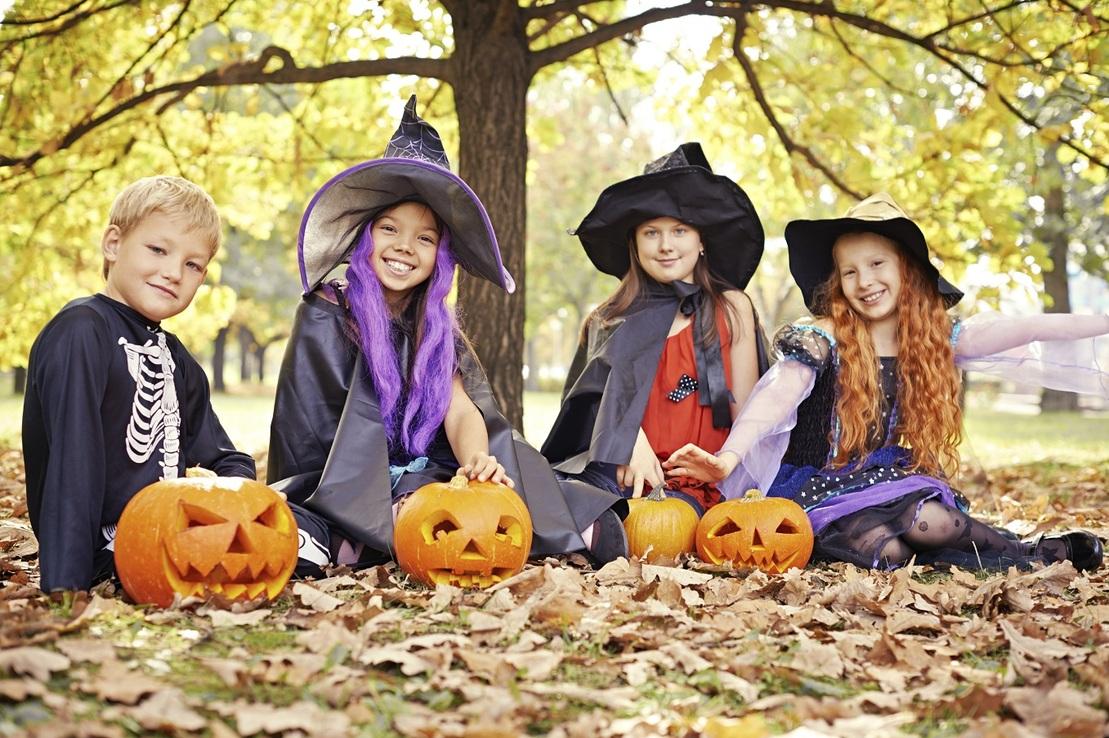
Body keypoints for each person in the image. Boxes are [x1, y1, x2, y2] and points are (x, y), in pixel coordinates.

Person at [268, 97, 626, 574]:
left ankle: (390, 534)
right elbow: (311, 432)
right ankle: (344, 535)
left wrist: (476, 461)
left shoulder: (435, 327)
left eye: (425, 238)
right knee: (313, 523)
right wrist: (371, 495)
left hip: (423, 473)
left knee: (564, 507)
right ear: (365, 237)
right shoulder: (327, 312)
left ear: (441, 256)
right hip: (341, 478)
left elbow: (459, 410)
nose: (404, 247)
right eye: (389, 229)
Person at [666, 192, 1107, 571]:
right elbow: (776, 395)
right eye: (850, 271)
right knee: (889, 551)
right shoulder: (821, 337)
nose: (865, 281)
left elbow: (1029, 328)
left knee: (929, 522)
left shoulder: (933, 338)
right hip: (815, 485)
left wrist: (1103, 322)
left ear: (905, 269)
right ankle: (944, 549)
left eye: (877, 263)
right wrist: (729, 457)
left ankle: (1026, 552)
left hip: (884, 478)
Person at [23, 176, 256, 593]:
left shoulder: (178, 359)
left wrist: (238, 503)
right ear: (113, 244)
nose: (173, 273)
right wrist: (66, 587)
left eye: (192, 265)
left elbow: (226, 458)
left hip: (171, 537)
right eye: (158, 250)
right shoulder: (82, 330)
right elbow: (72, 463)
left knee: (303, 539)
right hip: (104, 554)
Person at [542, 143, 769, 521]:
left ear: (701, 240)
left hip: (700, 480)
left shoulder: (731, 308)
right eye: (651, 232)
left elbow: (746, 413)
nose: (665, 246)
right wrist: (627, 438)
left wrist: (728, 469)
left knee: (665, 522)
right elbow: (586, 410)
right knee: (560, 508)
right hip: (622, 476)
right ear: (634, 242)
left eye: (679, 230)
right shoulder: (609, 319)